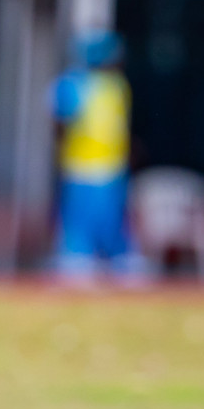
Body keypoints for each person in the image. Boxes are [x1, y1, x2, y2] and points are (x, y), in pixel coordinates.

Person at [52, 30, 140, 282]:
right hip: (83, 168)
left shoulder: (115, 85)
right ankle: (78, 268)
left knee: (110, 224)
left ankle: (116, 265)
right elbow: (61, 123)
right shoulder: (75, 84)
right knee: (81, 227)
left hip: (109, 168)